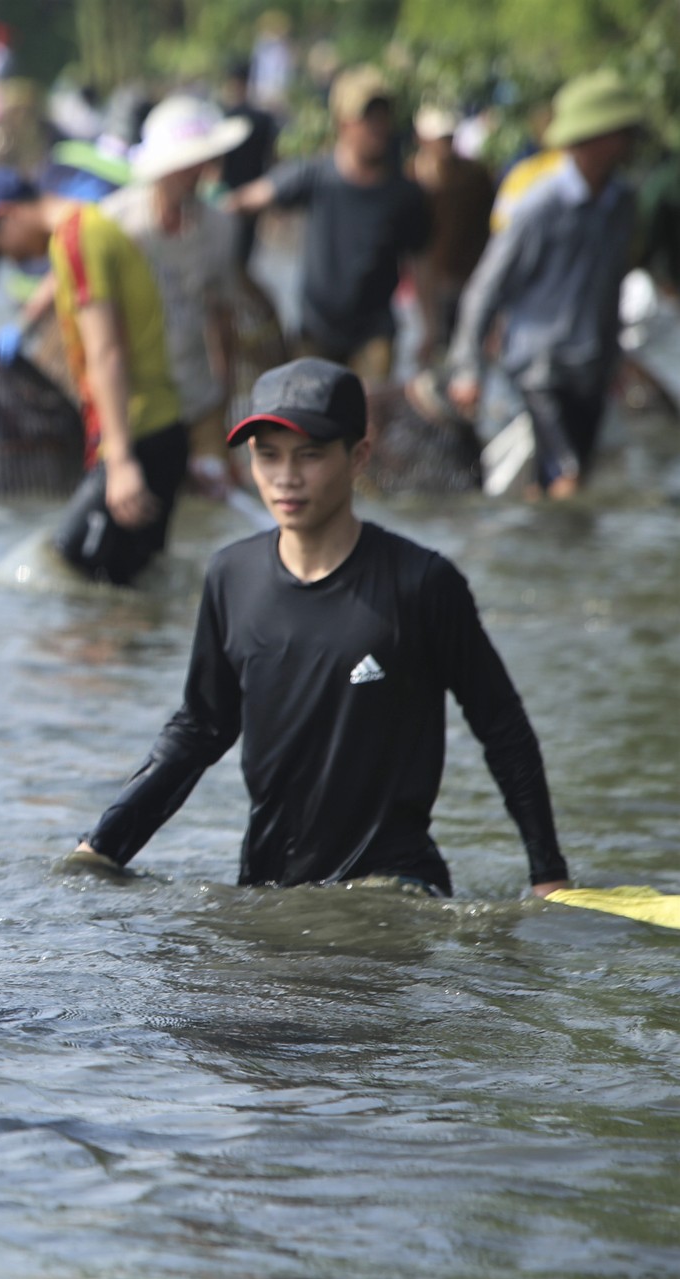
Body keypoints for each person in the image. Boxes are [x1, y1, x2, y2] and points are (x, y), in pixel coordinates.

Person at [72, 359, 569, 898]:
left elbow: (503, 728)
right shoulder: (230, 577)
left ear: (358, 456)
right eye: (268, 456)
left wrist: (548, 876)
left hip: (393, 890)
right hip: (266, 889)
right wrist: (102, 847)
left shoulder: (421, 583)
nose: (286, 477)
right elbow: (200, 730)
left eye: (309, 455)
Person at [0, 168, 187, 586]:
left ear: (6, 214)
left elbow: (106, 350)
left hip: (138, 432)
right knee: (121, 588)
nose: (8, 259)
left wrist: (120, 461)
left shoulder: (77, 240)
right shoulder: (87, 226)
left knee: (73, 573)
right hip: (152, 428)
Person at [447, 70, 644, 501]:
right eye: (622, 133)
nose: (630, 142)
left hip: (592, 364)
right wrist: (467, 368)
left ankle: (544, 552)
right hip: (542, 365)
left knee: (565, 477)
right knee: (569, 476)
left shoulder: (622, 203)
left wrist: (617, 355)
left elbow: (614, 285)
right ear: (595, 139)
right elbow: (485, 288)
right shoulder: (539, 206)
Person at [231, 65, 429, 384]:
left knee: (367, 421)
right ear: (344, 123)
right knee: (311, 420)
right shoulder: (316, 176)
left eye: (383, 116)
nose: (377, 127)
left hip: (373, 333)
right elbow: (249, 199)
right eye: (368, 118)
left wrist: (429, 328)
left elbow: (421, 262)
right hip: (316, 331)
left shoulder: (404, 194)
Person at [103, 95, 250, 495]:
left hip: (198, 394)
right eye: (184, 165)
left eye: (199, 163)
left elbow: (223, 317)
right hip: (139, 400)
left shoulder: (221, 228)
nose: (193, 174)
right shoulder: (118, 222)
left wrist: (226, 407)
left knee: (213, 499)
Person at [407, 105, 494, 364]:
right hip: (423, 287)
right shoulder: (411, 179)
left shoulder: (475, 177)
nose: (444, 144)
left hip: (468, 280)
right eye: (438, 138)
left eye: (448, 137)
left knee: (467, 356)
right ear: (422, 140)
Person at [215, 59, 278, 270]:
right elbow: (273, 159)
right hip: (254, 196)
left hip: (226, 196)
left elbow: (215, 166)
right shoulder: (264, 119)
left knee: (225, 256)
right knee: (244, 260)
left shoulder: (223, 118)